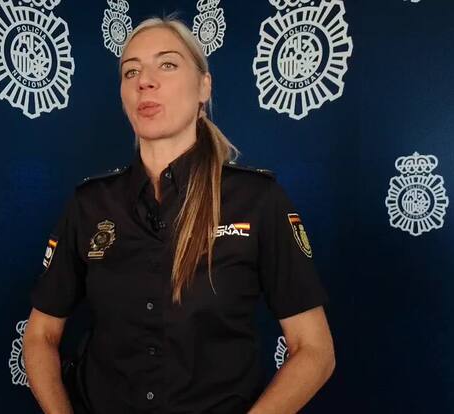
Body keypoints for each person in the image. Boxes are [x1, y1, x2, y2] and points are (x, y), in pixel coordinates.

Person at [23, 15, 335, 414]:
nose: (145, 81)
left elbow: (314, 350)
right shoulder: (91, 204)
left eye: (167, 64)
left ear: (204, 86)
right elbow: (41, 335)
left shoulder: (257, 201)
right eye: (131, 71)